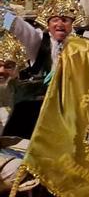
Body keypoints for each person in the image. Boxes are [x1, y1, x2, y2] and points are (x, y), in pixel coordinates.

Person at [0, 32, 38, 191]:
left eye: (8, 66)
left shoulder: (14, 89)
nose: (2, 70)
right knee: (17, 169)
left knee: (41, 151)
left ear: (17, 69)